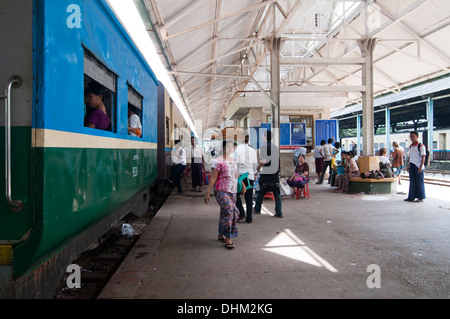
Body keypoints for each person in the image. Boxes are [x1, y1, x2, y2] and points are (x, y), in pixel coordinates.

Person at [204, 140, 245, 250]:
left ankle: (221, 234)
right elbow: (213, 177)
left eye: (232, 147)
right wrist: (207, 192)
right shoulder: (218, 162)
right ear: (223, 148)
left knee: (225, 212)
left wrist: (243, 185)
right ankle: (228, 237)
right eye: (228, 147)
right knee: (232, 210)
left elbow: (236, 175)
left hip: (233, 191)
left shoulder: (234, 161)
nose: (230, 148)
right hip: (220, 191)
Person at [253, 131, 283, 218]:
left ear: (265, 137)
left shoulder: (264, 147)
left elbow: (263, 161)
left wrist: (258, 168)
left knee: (261, 191)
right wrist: (278, 170)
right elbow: (278, 160)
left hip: (266, 173)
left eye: (263, 136)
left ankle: (257, 209)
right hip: (275, 173)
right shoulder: (275, 147)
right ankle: (279, 212)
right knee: (276, 192)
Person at [234, 135, 258, 223]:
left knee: (236, 195)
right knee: (249, 198)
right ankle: (249, 218)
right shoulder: (252, 150)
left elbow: (234, 163)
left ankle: (241, 214)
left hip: (240, 177)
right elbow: (255, 164)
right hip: (250, 176)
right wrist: (254, 173)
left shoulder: (237, 150)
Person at [404, 131, 426, 203]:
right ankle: (411, 197)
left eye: (413, 136)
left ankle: (421, 197)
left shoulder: (421, 146)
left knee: (419, 182)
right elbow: (410, 156)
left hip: (418, 166)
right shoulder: (411, 146)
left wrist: (420, 167)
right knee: (412, 182)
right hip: (412, 165)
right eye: (411, 137)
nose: (412, 138)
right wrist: (408, 165)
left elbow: (423, 157)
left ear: (417, 137)